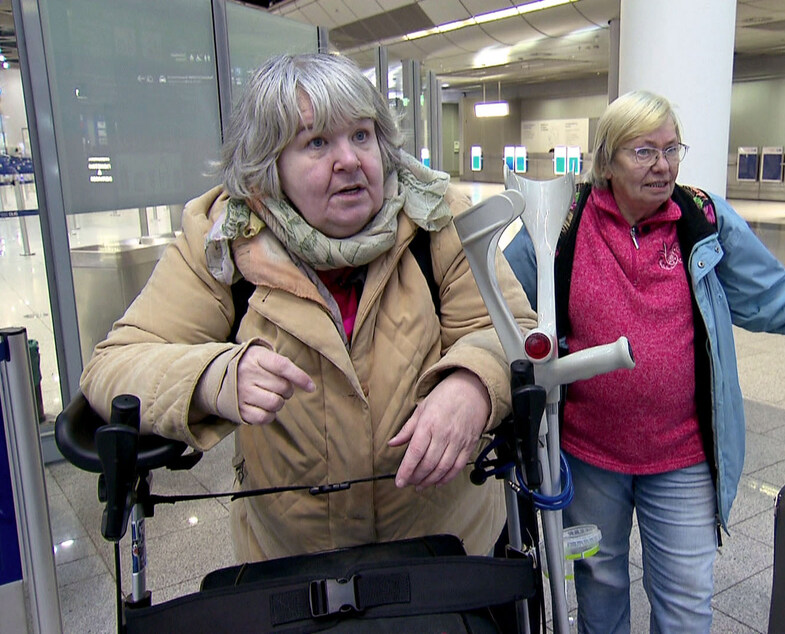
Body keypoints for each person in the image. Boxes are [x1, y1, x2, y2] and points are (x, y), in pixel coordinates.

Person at [80, 52, 535, 564]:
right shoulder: (221, 243)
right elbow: (115, 365)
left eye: (361, 135)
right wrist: (212, 377)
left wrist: (473, 384)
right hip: (296, 567)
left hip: (445, 554)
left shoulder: (438, 218)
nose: (349, 160)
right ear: (267, 167)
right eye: (316, 142)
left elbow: (513, 331)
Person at [503, 90, 785, 634]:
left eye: (671, 148)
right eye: (644, 151)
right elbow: (499, 302)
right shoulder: (563, 222)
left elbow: (778, 296)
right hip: (588, 457)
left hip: (683, 456)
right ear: (606, 160)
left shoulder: (702, 220)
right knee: (599, 588)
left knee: (685, 605)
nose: (663, 165)